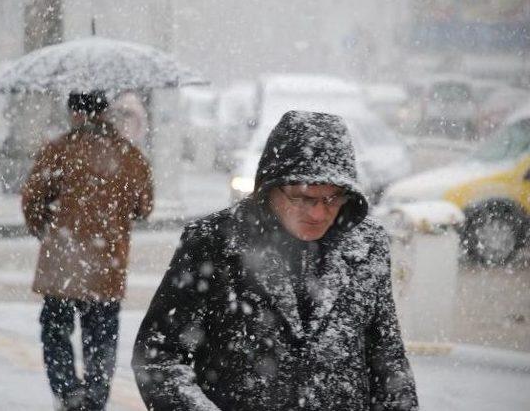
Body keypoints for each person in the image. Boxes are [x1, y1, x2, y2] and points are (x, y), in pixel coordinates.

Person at [132, 111, 418, 410]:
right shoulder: (213, 242)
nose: (319, 213)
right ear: (270, 188)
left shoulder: (367, 244)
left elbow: (387, 360)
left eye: (332, 198)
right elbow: (158, 357)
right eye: (303, 198)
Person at [22, 90, 153, 411]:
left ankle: (68, 395)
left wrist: (47, 231)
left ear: (75, 113)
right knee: (101, 338)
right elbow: (144, 206)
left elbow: (32, 200)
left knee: (56, 333)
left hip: (62, 265)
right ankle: (94, 400)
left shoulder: (58, 150)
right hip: (107, 265)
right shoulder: (129, 155)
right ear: (105, 112)